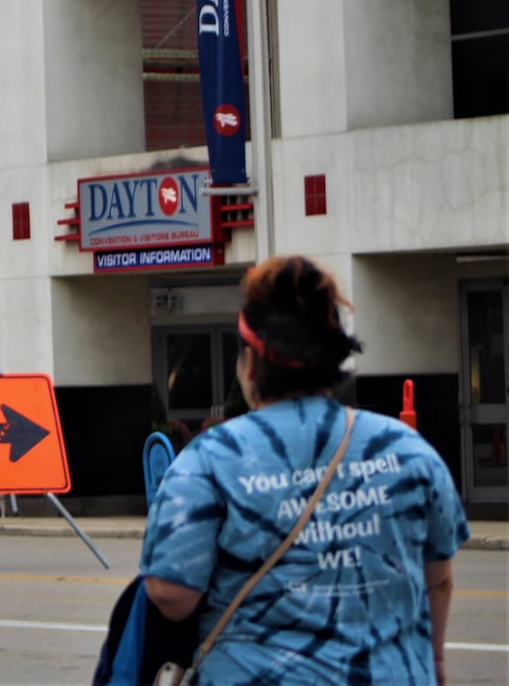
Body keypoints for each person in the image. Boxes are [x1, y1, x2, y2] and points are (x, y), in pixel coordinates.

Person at [140, 255, 469, 684]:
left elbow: (172, 594)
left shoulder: (207, 460)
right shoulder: (408, 451)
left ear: (251, 365)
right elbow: (438, 577)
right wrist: (435, 665)